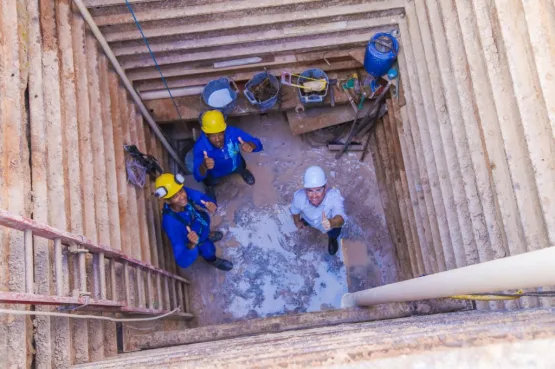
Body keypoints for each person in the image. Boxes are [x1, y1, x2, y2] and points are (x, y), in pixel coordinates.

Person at [154, 173, 233, 271]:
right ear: (168, 201)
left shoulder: (184, 194)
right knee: (208, 250)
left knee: (205, 234)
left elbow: (199, 197)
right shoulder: (171, 224)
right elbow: (182, 261)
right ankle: (213, 260)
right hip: (195, 239)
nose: (182, 197)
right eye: (175, 196)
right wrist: (192, 245)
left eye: (181, 191)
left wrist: (209, 204)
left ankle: (207, 235)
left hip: (201, 224)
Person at [193, 110, 263, 199]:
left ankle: (243, 172)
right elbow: (197, 177)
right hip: (215, 173)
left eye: (220, 134)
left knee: (242, 167)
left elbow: (258, 144)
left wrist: (251, 146)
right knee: (209, 181)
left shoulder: (233, 133)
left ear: (224, 130)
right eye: (213, 136)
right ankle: (210, 187)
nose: (217, 139)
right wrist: (203, 166)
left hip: (236, 164)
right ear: (206, 134)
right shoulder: (200, 146)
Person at [290, 166, 346, 255]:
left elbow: (341, 219)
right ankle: (307, 223)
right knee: (305, 221)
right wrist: (297, 222)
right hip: (308, 219)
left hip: (330, 225)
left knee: (334, 232)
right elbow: (295, 210)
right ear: (305, 190)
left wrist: (331, 222)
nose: (314, 196)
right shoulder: (299, 197)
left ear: (325, 187)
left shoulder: (334, 197)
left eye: (318, 190)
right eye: (310, 191)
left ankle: (332, 239)